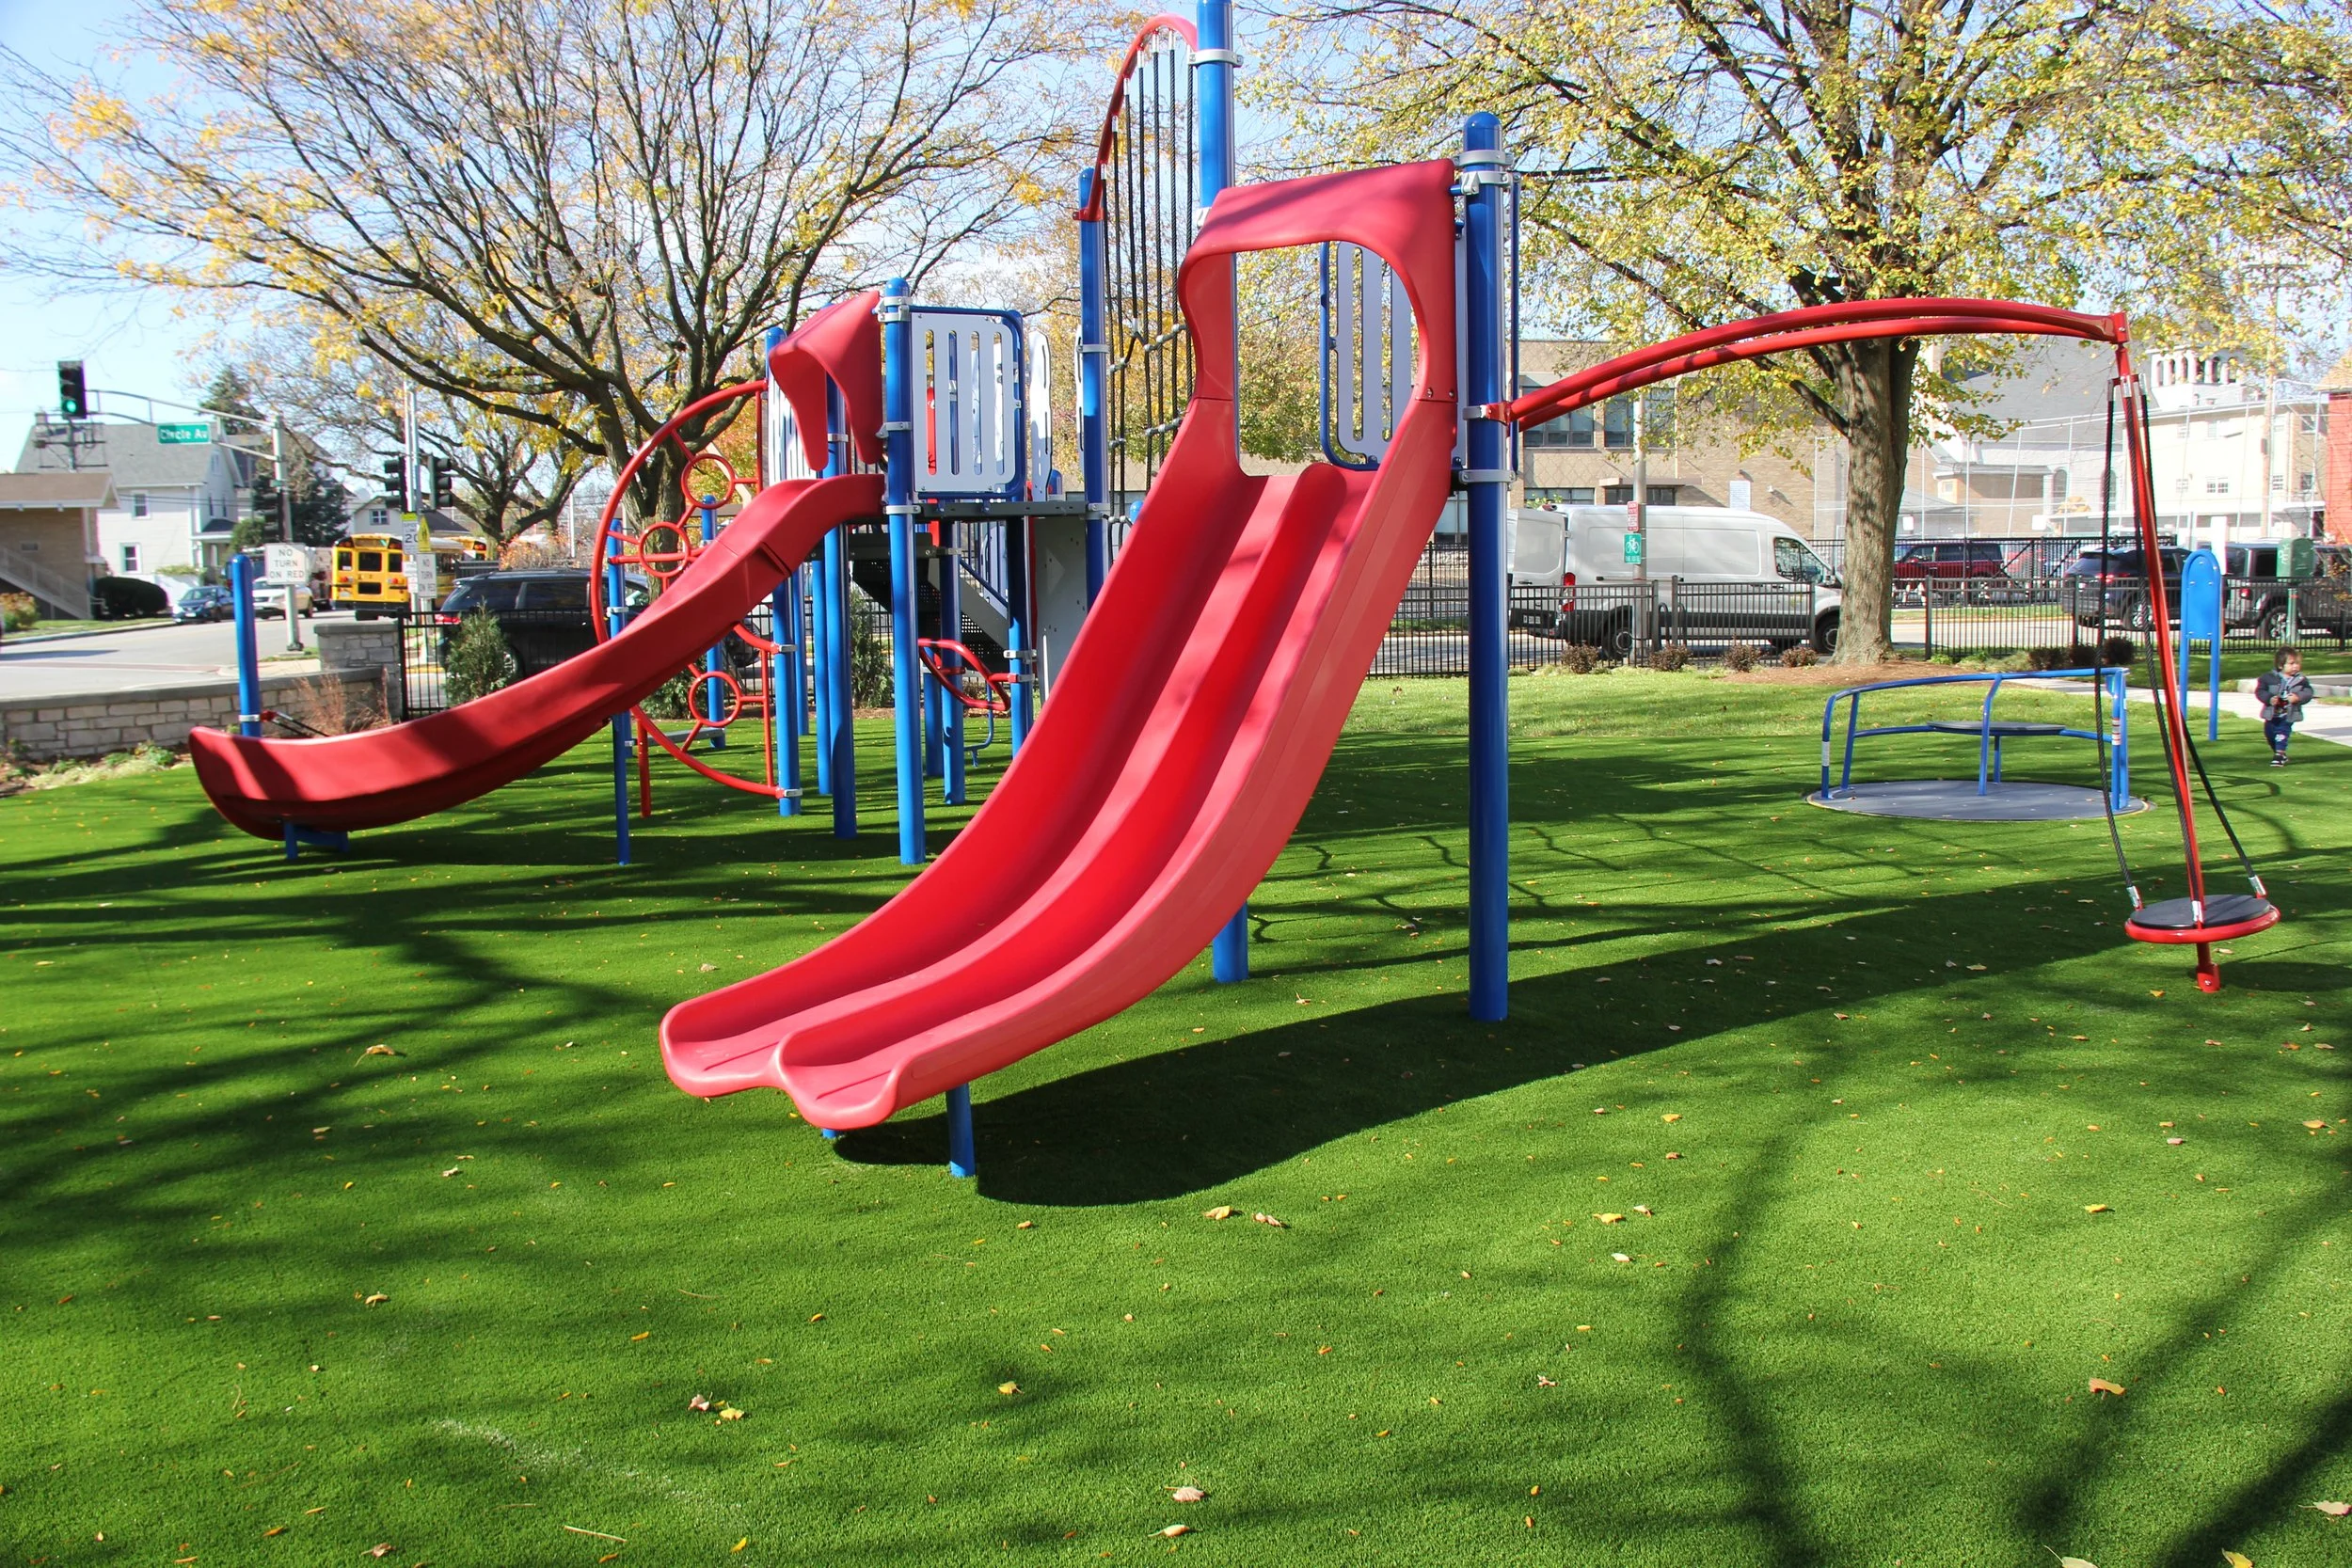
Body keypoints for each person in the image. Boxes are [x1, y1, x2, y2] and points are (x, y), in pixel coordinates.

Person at [2254, 648, 2314, 767]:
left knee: (2282, 732)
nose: (2295, 666)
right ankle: (2280, 753)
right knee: (2270, 734)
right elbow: (2260, 691)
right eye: (2291, 664)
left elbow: (2308, 692)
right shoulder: (2268, 678)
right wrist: (2270, 699)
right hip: (2272, 713)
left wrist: (2298, 697)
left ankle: (2279, 754)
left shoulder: (2300, 680)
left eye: (2297, 663)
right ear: (2281, 665)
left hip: (2288, 713)